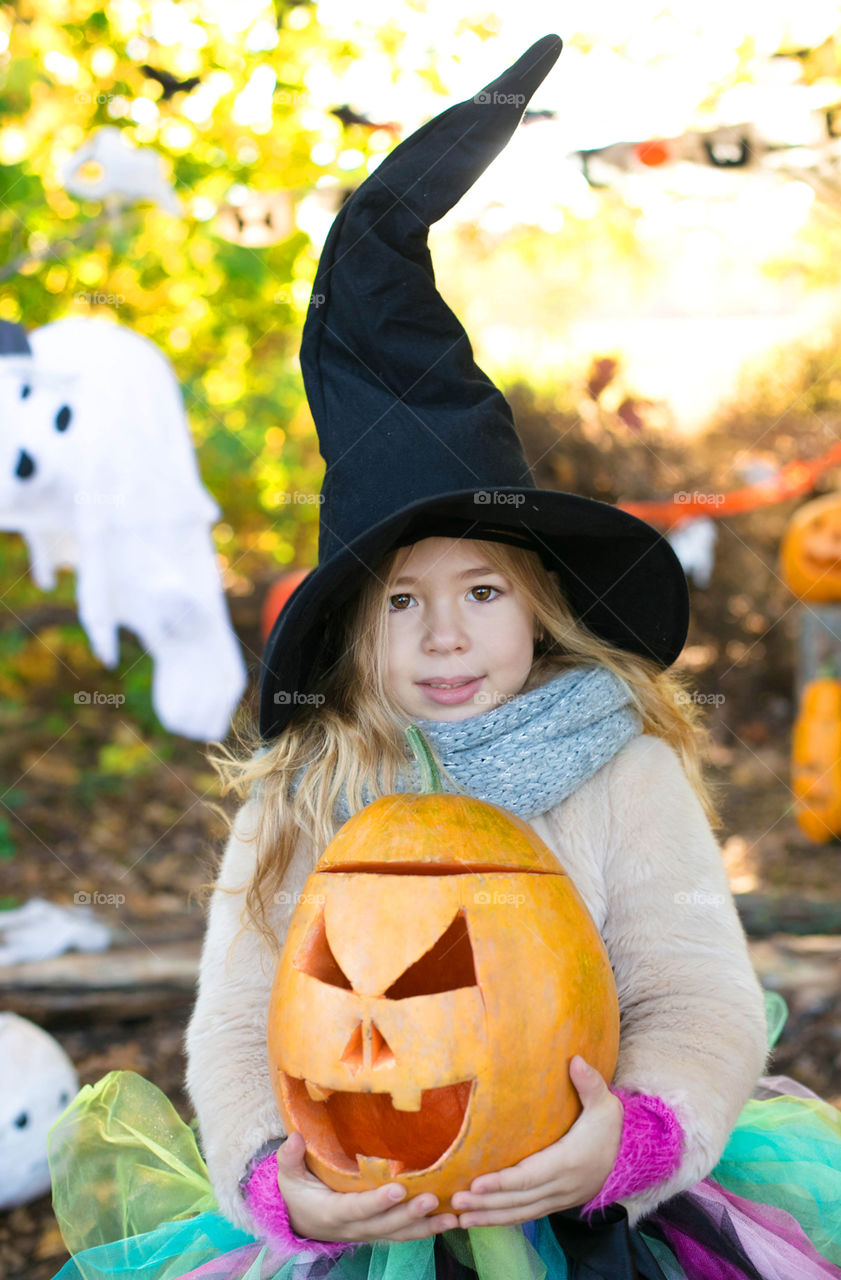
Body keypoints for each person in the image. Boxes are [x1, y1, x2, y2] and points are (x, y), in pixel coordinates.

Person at [48, 33, 841, 1280]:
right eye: (401, 603)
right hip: (366, 1221)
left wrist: (628, 1142)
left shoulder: (613, 768)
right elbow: (239, 1028)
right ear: (351, 629)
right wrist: (280, 1178)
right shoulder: (303, 791)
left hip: (596, 1218)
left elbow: (700, 996)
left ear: (540, 607)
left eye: (481, 589)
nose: (447, 632)